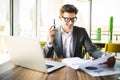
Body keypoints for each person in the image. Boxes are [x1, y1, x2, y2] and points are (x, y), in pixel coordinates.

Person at [44, 4, 116, 67]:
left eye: (73, 19)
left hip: (77, 68)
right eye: (67, 19)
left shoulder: (81, 32)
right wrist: (50, 41)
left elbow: (92, 50)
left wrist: (104, 56)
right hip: (59, 66)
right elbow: (45, 56)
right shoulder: (53, 33)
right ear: (60, 18)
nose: (70, 23)